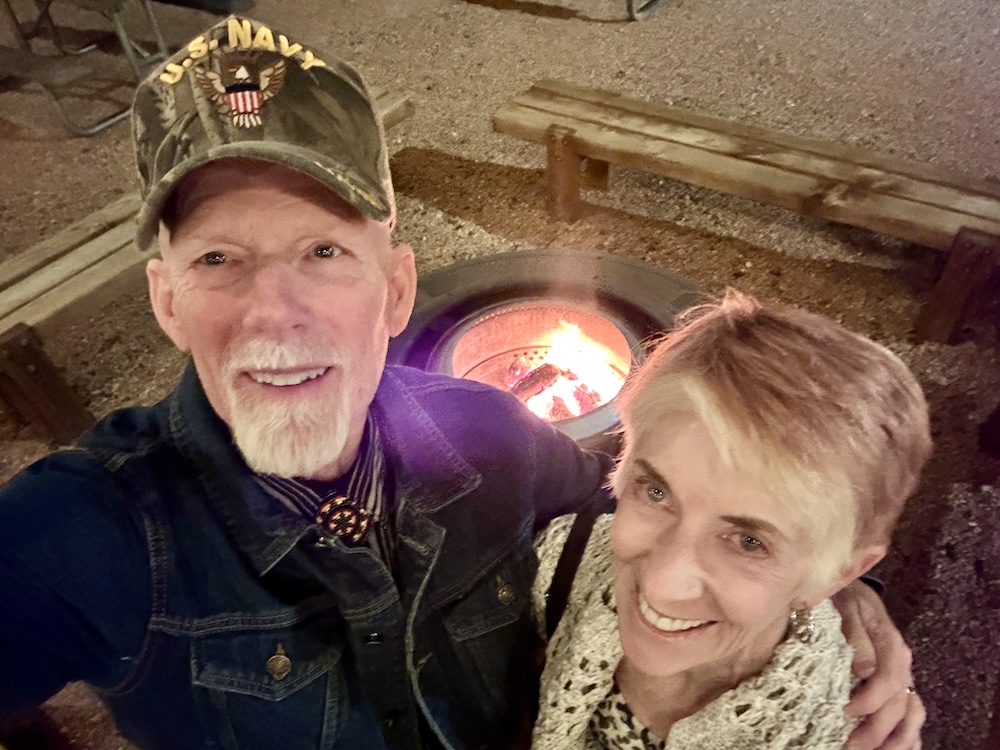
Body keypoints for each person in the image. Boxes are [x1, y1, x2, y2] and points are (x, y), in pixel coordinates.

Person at [0, 15, 920, 750]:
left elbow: (662, 519)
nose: (273, 312)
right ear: (167, 302)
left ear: (397, 288)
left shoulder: (493, 433)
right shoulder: (86, 533)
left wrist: (835, 589)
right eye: (217, 259)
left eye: (324, 251)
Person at [530, 290, 931, 749]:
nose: (663, 585)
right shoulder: (558, 564)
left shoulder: (840, 732)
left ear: (840, 574)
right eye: (657, 493)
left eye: (748, 542)